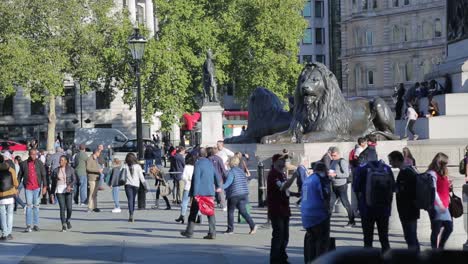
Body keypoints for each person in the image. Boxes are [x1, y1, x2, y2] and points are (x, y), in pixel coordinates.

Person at [353, 157, 395, 252]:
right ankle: (387, 257)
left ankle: (369, 259)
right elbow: (393, 187)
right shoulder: (386, 168)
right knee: (384, 237)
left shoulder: (362, 168)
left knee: (368, 238)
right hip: (384, 208)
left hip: (367, 208)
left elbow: (356, 187)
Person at [181, 148, 221, 240]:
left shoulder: (198, 164)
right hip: (209, 192)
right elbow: (216, 176)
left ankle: (189, 232)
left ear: (198, 155)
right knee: (210, 213)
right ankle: (212, 232)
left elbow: (196, 180)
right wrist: (218, 186)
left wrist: (195, 194)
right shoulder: (210, 163)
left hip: (200, 193)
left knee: (193, 212)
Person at [267, 153, 298, 264]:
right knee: (278, 235)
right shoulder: (273, 174)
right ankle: (275, 260)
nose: (284, 161)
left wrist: (295, 194)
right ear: (275, 162)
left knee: (285, 236)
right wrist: (294, 176)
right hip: (276, 209)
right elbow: (283, 187)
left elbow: (286, 191)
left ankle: (282, 257)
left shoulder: (282, 174)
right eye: (282, 160)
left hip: (284, 208)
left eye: (285, 160)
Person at [388, 151, 420, 251]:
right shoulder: (408, 170)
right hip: (408, 209)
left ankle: (415, 257)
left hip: (409, 209)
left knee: (410, 237)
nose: (390, 163)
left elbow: (409, 190)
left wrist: (397, 189)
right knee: (410, 236)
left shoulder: (407, 172)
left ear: (397, 160)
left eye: (391, 161)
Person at [302, 162, 331, 263]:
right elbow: (325, 196)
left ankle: (311, 261)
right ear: (324, 170)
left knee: (312, 241)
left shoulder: (307, 179)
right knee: (322, 242)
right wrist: (328, 211)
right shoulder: (320, 179)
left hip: (306, 216)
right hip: (318, 215)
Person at [223, 156, 257, 235]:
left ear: (231, 163)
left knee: (230, 212)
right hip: (244, 193)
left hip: (234, 194)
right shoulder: (241, 171)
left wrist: (220, 188)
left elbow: (228, 183)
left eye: (228, 162)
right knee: (243, 211)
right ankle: (253, 225)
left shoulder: (231, 172)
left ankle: (230, 229)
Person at [18, 149, 47, 232]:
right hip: (28, 188)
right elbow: (19, 176)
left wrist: (45, 186)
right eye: (32, 154)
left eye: (35, 154)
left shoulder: (39, 163)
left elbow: (44, 175)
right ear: (29, 154)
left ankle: (36, 224)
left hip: (37, 188)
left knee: (36, 206)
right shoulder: (23, 164)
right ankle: (28, 225)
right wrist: (16, 187)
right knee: (29, 206)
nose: (33, 156)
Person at [427, 152, 453, 249]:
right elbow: (433, 190)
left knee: (448, 228)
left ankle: (439, 248)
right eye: (445, 163)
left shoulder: (443, 173)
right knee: (437, 229)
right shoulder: (432, 173)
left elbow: (441, 187)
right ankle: (435, 250)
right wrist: (440, 204)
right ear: (440, 162)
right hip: (437, 205)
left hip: (444, 204)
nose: (447, 165)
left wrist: (448, 185)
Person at [328, 147, 355, 227]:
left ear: (338, 154)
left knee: (346, 204)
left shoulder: (342, 161)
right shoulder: (332, 161)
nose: (333, 157)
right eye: (332, 155)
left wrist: (336, 175)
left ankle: (352, 221)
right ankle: (325, 222)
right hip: (334, 185)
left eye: (334, 155)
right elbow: (332, 171)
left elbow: (346, 174)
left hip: (341, 186)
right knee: (330, 204)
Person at [50, 155, 76, 232]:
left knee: (69, 208)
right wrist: (52, 193)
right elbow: (53, 183)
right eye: (60, 160)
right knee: (62, 207)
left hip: (68, 190)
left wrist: (69, 185)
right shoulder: (55, 170)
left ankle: (68, 220)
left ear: (66, 161)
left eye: (62, 160)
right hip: (59, 190)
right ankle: (63, 224)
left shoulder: (71, 169)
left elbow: (74, 180)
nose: (60, 162)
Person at [122, 153, 147, 222]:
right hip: (136, 185)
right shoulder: (138, 166)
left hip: (127, 184)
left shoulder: (125, 166)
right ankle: (132, 213)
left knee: (130, 199)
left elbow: (121, 174)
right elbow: (141, 177)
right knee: (133, 199)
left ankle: (131, 213)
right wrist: (145, 186)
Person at [0, 154, 19, 240]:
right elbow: (16, 183)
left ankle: (4, 233)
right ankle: (9, 233)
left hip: (1, 196)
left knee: (2, 215)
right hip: (10, 195)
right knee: (10, 214)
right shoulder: (11, 170)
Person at [175, 154, 195, 224]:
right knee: (196, 202)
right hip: (194, 187)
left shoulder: (186, 167)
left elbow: (183, 177)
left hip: (187, 186)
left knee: (185, 201)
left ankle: (182, 215)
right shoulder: (195, 167)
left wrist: (187, 179)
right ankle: (199, 216)